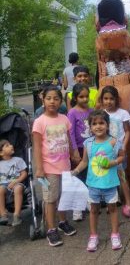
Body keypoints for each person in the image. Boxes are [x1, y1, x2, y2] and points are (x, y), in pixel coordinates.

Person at [72, 110, 125, 252]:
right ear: (90, 127)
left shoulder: (114, 141)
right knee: (94, 210)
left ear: (107, 125)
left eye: (101, 123)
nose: (98, 126)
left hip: (110, 183)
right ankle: (93, 236)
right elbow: (84, 161)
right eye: (94, 124)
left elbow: (121, 157)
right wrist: (75, 172)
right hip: (93, 184)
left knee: (112, 209)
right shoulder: (88, 143)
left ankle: (115, 234)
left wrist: (112, 163)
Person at [32, 85, 76, 247]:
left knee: (64, 197)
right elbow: (36, 147)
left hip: (65, 166)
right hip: (49, 169)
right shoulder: (39, 122)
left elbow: (68, 139)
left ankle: (62, 222)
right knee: (50, 199)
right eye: (49, 98)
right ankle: (51, 229)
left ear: (61, 102)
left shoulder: (64, 118)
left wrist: (74, 154)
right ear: (42, 100)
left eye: (56, 98)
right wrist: (39, 168)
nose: (52, 101)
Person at [99, 86, 130, 218]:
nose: (109, 101)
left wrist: (123, 146)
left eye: (111, 99)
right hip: (106, 151)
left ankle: (128, 203)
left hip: (119, 152)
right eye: (106, 98)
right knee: (108, 178)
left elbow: (128, 131)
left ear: (116, 99)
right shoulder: (101, 113)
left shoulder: (123, 113)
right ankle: (112, 201)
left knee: (122, 178)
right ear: (102, 100)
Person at [67, 83, 93, 221]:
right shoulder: (72, 112)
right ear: (75, 98)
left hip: (90, 147)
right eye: (81, 97)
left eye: (86, 96)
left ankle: (88, 202)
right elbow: (70, 132)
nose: (84, 99)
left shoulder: (91, 110)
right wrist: (74, 150)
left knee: (89, 176)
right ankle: (77, 208)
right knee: (78, 178)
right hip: (79, 148)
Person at [0, 140, 27, 226]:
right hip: (3, 185)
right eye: (7, 146)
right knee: (0, 189)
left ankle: (16, 215)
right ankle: (3, 214)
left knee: (18, 188)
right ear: (1, 153)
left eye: (10, 144)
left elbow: (24, 173)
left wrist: (16, 181)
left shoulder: (18, 160)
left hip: (17, 183)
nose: (11, 146)